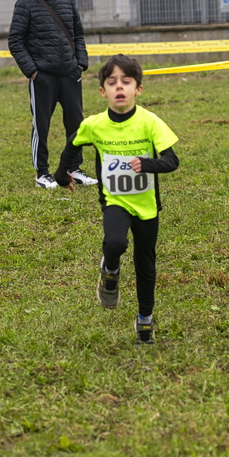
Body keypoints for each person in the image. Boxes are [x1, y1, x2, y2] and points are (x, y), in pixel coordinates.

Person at [53, 54, 179, 344]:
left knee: (145, 264)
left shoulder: (150, 122)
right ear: (103, 91)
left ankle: (145, 319)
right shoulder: (95, 125)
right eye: (112, 82)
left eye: (126, 81)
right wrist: (61, 175)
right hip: (115, 201)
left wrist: (146, 164)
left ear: (138, 89)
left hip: (147, 207)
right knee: (114, 243)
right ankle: (110, 270)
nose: (119, 87)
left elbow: (172, 161)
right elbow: (73, 143)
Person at [7, 0, 98, 189]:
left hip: (70, 74)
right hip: (43, 77)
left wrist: (80, 64)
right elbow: (15, 41)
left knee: (76, 124)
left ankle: (74, 168)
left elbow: (78, 34)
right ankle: (42, 173)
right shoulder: (25, 4)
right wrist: (33, 71)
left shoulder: (68, 1)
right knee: (42, 126)